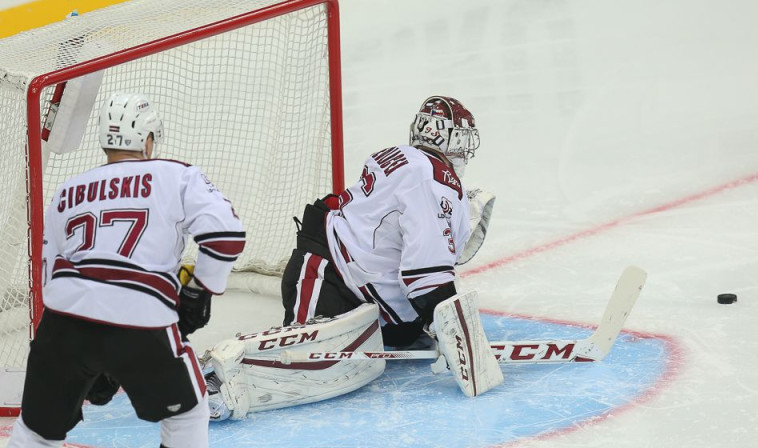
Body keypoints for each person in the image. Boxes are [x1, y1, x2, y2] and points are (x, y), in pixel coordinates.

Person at [203, 95, 498, 420]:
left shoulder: (401, 157)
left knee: (399, 335)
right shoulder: (435, 180)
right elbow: (424, 275)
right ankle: (216, 378)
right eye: (463, 140)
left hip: (366, 286)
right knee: (304, 361)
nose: (465, 151)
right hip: (328, 273)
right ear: (451, 137)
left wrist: (429, 325)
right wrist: (451, 331)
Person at [8, 92, 245, 448]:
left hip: (64, 323)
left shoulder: (65, 191)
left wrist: (90, 353)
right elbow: (226, 236)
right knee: (187, 414)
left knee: (37, 432)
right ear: (148, 139)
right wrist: (198, 292)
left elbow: (48, 273)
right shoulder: (176, 175)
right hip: (139, 316)